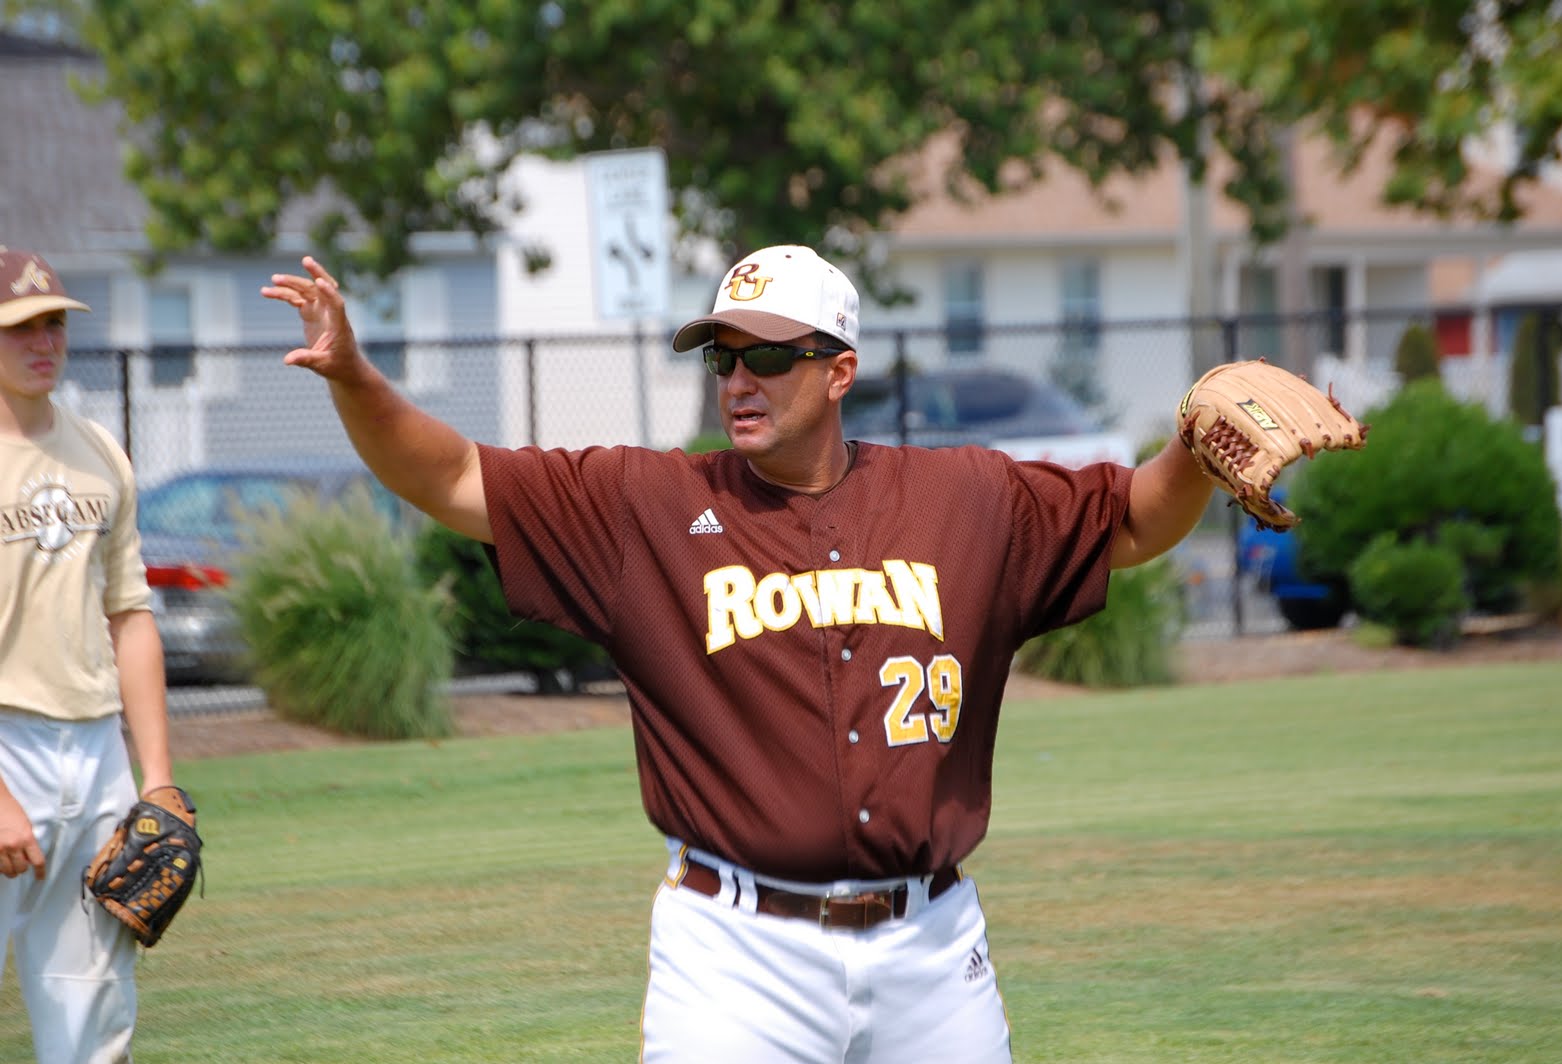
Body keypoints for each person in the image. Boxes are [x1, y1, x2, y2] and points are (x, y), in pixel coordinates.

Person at [263, 244, 1215, 1062]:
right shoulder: (648, 508)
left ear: (839, 370)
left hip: (931, 947)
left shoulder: (961, 498)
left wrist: (1196, 454)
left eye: (767, 355)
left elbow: (1131, 518)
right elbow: (454, 476)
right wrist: (355, 376)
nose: (737, 381)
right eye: (723, 357)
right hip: (735, 956)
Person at [0, 247, 178, 1064]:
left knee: (94, 1012)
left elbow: (131, 616)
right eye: (20, 327)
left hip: (97, 748)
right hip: (7, 740)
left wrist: (157, 779)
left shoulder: (100, 452)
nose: (43, 342)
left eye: (54, 323)